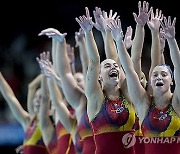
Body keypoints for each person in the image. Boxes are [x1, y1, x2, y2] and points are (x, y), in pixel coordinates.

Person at [108, 13, 180, 154]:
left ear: (172, 81)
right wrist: (119, 43)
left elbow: (178, 67)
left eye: (164, 74)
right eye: (154, 75)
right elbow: (130, 69)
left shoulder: (177, 103)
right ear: (150, 82)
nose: (159, 77)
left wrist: (171, 40)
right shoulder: (144, 105)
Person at [75, 7, 139, 154]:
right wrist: (88, 32)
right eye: (108, 67)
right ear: (99, 75)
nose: (114, 68)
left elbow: (126, 66)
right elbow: (94, 61)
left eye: (116, 67)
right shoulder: (95, 98)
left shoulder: (127, 95)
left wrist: (112, 35)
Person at [38, 28, 95, 154]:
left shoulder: (93, 102)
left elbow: (88, 66)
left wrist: (82, 44)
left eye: (80, 80)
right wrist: (58, 42)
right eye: (76, 81)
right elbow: (64, 79)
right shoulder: (75, 117)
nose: (77, 83)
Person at [0, 72, 48, 154]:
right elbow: (10, 97)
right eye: (36, 97)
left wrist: (48, 73)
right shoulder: (29, 122)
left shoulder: (51, 125)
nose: (37, 99)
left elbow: (45, 98)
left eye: (40, 97)